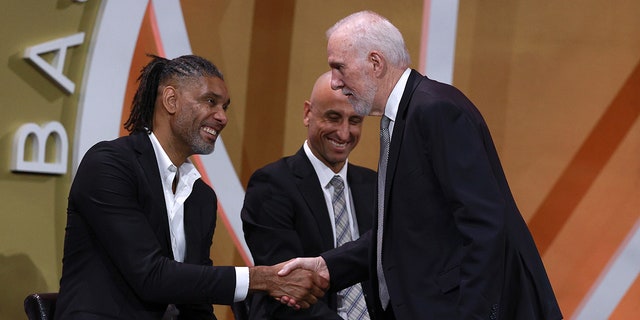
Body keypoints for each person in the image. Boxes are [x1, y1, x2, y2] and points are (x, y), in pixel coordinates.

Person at [279, 11, 563, 320]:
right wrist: (328, 266)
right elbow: (405, 233)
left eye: (338, 67)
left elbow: (484, 226)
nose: (335, 82)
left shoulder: (435, 110)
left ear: (375, 63)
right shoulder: (403, 116)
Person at [54, 55, 328, 320]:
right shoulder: (109, 165)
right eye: (211, 102)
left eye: (225, 107)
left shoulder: (201, 197)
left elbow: (195, 304)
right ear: (171, 100)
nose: (222, 117)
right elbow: (150, 277)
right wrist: (261, 279)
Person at [241, 71, 376, 319]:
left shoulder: (375, 185)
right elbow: (288, 291)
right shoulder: (271, 185)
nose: (344, 133)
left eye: (354, 121)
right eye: (333, 118)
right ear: (307, 113)